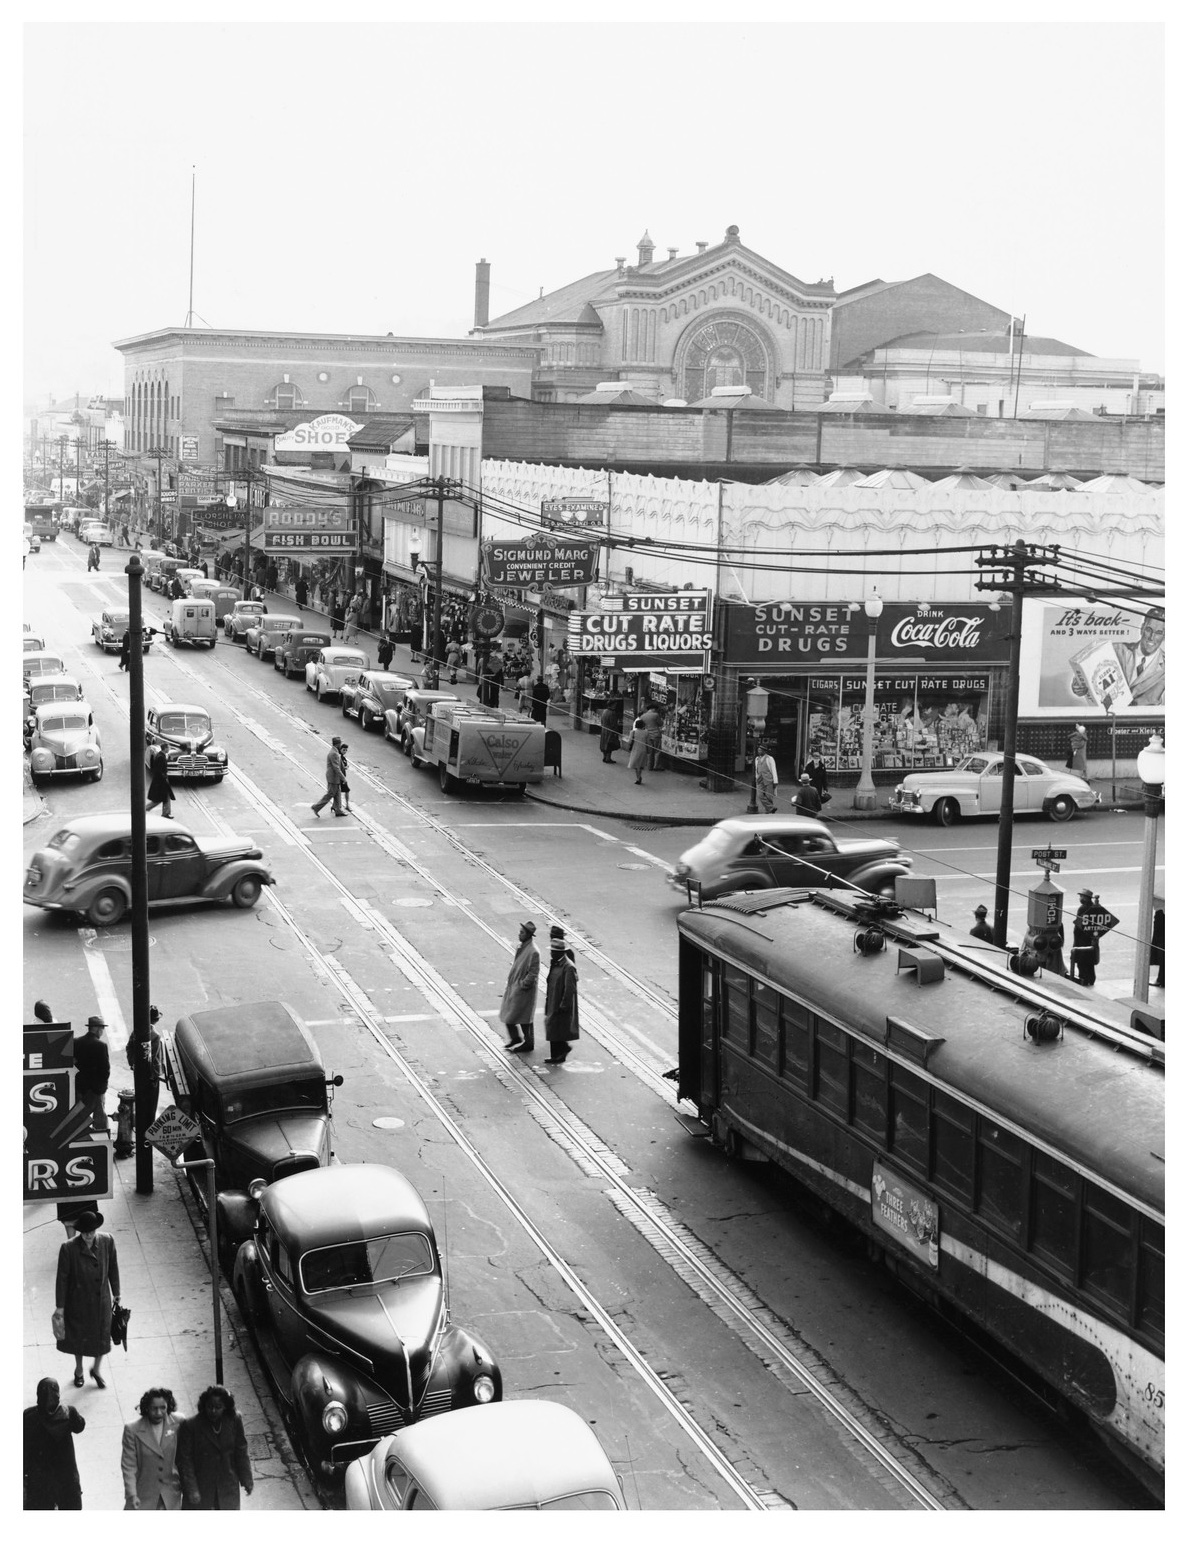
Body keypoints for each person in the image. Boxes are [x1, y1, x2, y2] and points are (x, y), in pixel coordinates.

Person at [55, 1208, 121, 1389]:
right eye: (85, 1232)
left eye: (91, 1231)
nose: (88, 1235)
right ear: (80, 1232)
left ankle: (96, 1370)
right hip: (78, 1302)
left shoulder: (107, 1241)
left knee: (102, 1337)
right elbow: (62, 1279)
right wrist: (60, 1307)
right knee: (79, 1338)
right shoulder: (68, 1248)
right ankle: (79, 1370)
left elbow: (113, 1267)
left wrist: (116, 1292)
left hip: (102, 1302)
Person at [177, 1385, 253, 1510]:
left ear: (226, 1407)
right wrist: (192, 1489)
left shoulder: (234, 1420)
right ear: (204, 1405)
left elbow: (241, 1451)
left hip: (227, 1487)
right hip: (202, 1487)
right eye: (209, 1407)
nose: (213, 1411)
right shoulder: (191, 1425)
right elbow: (185, 1461)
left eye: (218, 1407)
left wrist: (247, 1479)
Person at [24, 1377, 85, 1510]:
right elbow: (80, 1427)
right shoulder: (69, 1413)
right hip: (66, 1475)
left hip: (40, 1476)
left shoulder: (28, 1416)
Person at [121, 1386, 183, 1510]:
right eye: (154, 1408)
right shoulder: (132, 1430)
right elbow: (129, 1466)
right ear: (146, 1408)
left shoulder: (179, 1422)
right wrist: (132, 1494)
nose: (158, 1413)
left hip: (171, 1495)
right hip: (143, 1495)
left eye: (163, 1408)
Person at [501, 921, 540, 1054]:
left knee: (523, 1017)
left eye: (522, 933)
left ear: (528, 935)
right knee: (510, 1014)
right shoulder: (522, 947)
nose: (519, 934)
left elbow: (533, 973)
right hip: (515, 987)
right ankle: (516, 1038)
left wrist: (523, 985)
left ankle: (528, 1042)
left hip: (523, 990)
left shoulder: (533, 952)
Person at [544, 926, 580, 1066]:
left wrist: (564, 1004)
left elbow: (569, 987)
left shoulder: (568, 966)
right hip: (553, 997)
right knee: (552, 1025)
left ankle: (561, 1051)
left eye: (553, 952)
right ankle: (557, 1054)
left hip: (559, 1000)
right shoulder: (556, 962)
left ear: (559, 953)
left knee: (556, 1026)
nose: (551, 954)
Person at [126, 1004, 166, 1124]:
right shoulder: (155, 1035)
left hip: (138, 1072)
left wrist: (133, 1064)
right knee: (150, 1105)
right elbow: (153, 1058)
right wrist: (154, 1075)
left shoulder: (136, 1031)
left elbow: (129, 1047)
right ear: (156, 1019)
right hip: (150, 1076)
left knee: (140, 1102)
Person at [74, 1015, 111, 1134]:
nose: (102, 1031)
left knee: (80, 1115)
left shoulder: (76, 1042)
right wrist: (102, 1086)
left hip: (80, 1086)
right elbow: (105, 1070)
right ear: (97, 1029)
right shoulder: (101, 1045)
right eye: (102, 1028)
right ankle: (102, 1138)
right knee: (100, 1117)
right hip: (96, 1089)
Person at [1070, 889, 1102, 987]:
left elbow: (1078, 926)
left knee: (1081, 962)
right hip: (1092, 939)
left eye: (1082, 896)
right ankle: (1091, 979)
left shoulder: (1083, 908)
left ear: (1086, 898)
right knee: (1089, 962)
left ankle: (1084, 979)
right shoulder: (1095, 907)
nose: (1080, 898)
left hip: (1082, 940)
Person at [312, 737, 347, 817]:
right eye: (340, 743)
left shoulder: (335, 751)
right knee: (330, 794)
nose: (341, 745)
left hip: (335, 778)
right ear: (338, 744)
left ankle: (338, 810)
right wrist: (343, 778)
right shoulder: (334, 753)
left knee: (337, 793)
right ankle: (316, 807)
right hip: (333, 778)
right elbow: (336, 767)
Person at [146, 742, 175, 819]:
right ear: (165, 748)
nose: (169, 749)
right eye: (168, 748)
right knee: (158, 799)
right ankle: (145, 809)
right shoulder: (161, 757)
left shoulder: (161, 755)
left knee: (166, 796)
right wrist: (164, 778)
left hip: (161, 780)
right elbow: (159, 770)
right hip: (161, 781)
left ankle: (166, 813)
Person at [638, 702, 664, 770]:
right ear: (653, 709)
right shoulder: (656, 715)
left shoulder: (643, 716)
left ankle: (649, 766)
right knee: (657, 751)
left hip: (648, 735)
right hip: (656, 735)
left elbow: (642, 726)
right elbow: (660, 723)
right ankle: (656, 765)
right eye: (655, 709)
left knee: (650, 751)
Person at [754, 741, 778, 813]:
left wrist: (775, 781)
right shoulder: (757, 759)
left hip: (768, 779)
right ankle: (771, 808)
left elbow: (773, 769)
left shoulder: (770, 758)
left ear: (764, 751)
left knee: (769, 796)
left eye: (760, 750)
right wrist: (756, 777)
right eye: (758, 750)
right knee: (760, 795)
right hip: (760, 780)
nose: (759, 751)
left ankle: (768, 810)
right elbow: (757, 769)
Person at [626, 712, 650, 785]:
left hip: (635, 750)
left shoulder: (633, 732)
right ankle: (639, 776)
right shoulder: (646, 732)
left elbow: (630, 742)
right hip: (643, 750)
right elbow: (648, 742)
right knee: (641, 764)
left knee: (636, 765)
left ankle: (638, 777)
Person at [599, 698, 623, 763]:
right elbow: (613, 723)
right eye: (615, 704)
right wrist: (616, 731)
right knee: (610, 744)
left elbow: (601, 720)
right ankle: (608, 758)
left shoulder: (604, 711)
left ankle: (604, 756)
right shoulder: (612, 713)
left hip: (604, 729)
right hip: (610, 731)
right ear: (612, 705)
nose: (615, 706)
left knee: (604, 743)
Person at [339, 741, 353, 813]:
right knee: (345, 791)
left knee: (340, 792)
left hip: (342, 776)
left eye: (346, 750)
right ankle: (346, 805)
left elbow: (344, 766)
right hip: (340, 777)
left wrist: (345, 767)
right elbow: (339, 767)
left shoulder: (343, 758)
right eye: (344, 750)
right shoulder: (339, 757)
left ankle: (336, 806)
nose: (345, 751)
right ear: (340, 749)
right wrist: (345, 767)